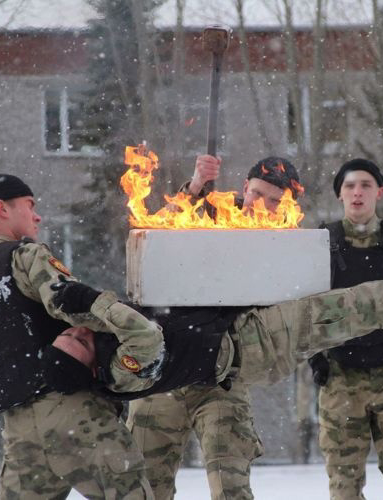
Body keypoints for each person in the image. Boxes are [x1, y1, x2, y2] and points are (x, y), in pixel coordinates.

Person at [0, 174, 161, 499]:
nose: (37, 216)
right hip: (74, 415)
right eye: (30, 206)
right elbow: (71, 304)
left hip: (18, 431)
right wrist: (137, 324)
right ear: (2, 209)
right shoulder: (24, 255)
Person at [126, 155, 302, 500]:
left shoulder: (284, 246)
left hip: (221, 380)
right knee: (145, 489)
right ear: (243, 189)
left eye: (274, 201)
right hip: (162, 372)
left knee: (231, 488)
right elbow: (154, 235)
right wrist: (193, 187)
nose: (261, 206)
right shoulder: (208, 212)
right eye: (256, 194)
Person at [308, 158, 383, 499]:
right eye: (349, 186)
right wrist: (315, 356)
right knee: (344, 486)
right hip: (340, 373)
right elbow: (304, 309)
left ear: (379, 192)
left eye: (366, 185)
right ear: (340, 195)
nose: (357, 192)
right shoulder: (321, 243)